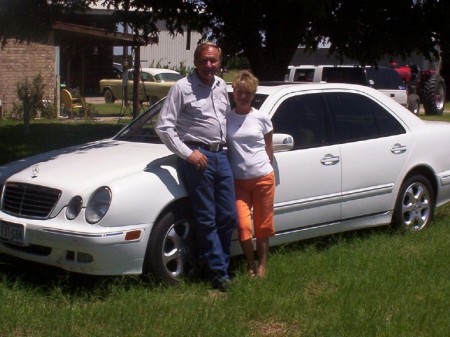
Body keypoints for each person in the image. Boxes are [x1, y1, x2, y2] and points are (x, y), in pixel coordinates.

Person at [155, 42, 237, 290]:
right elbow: (164, 126)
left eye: (213, 61)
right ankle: (219, 273)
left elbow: (227, 119)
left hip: (220, 155)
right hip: (197, 157)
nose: (209, 66)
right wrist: (188, 154)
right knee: (206, 217)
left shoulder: (222, 85)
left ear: (219, 62)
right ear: (196, 61)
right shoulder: (182, 87)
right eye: (204, 61)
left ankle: (214, 262)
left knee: (228, 215)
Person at [226, 70, 275, 278]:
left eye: (247, 93)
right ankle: (250, 263)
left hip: (263, 178)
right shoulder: (226, 118)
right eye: (239, 92)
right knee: (244, 226)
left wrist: (262, 168)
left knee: (263, 225)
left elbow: (269, 149)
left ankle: (262, 266)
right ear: (234, 93)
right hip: (239, 182)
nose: (243, 96)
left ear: (253, 94)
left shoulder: (262, 118)